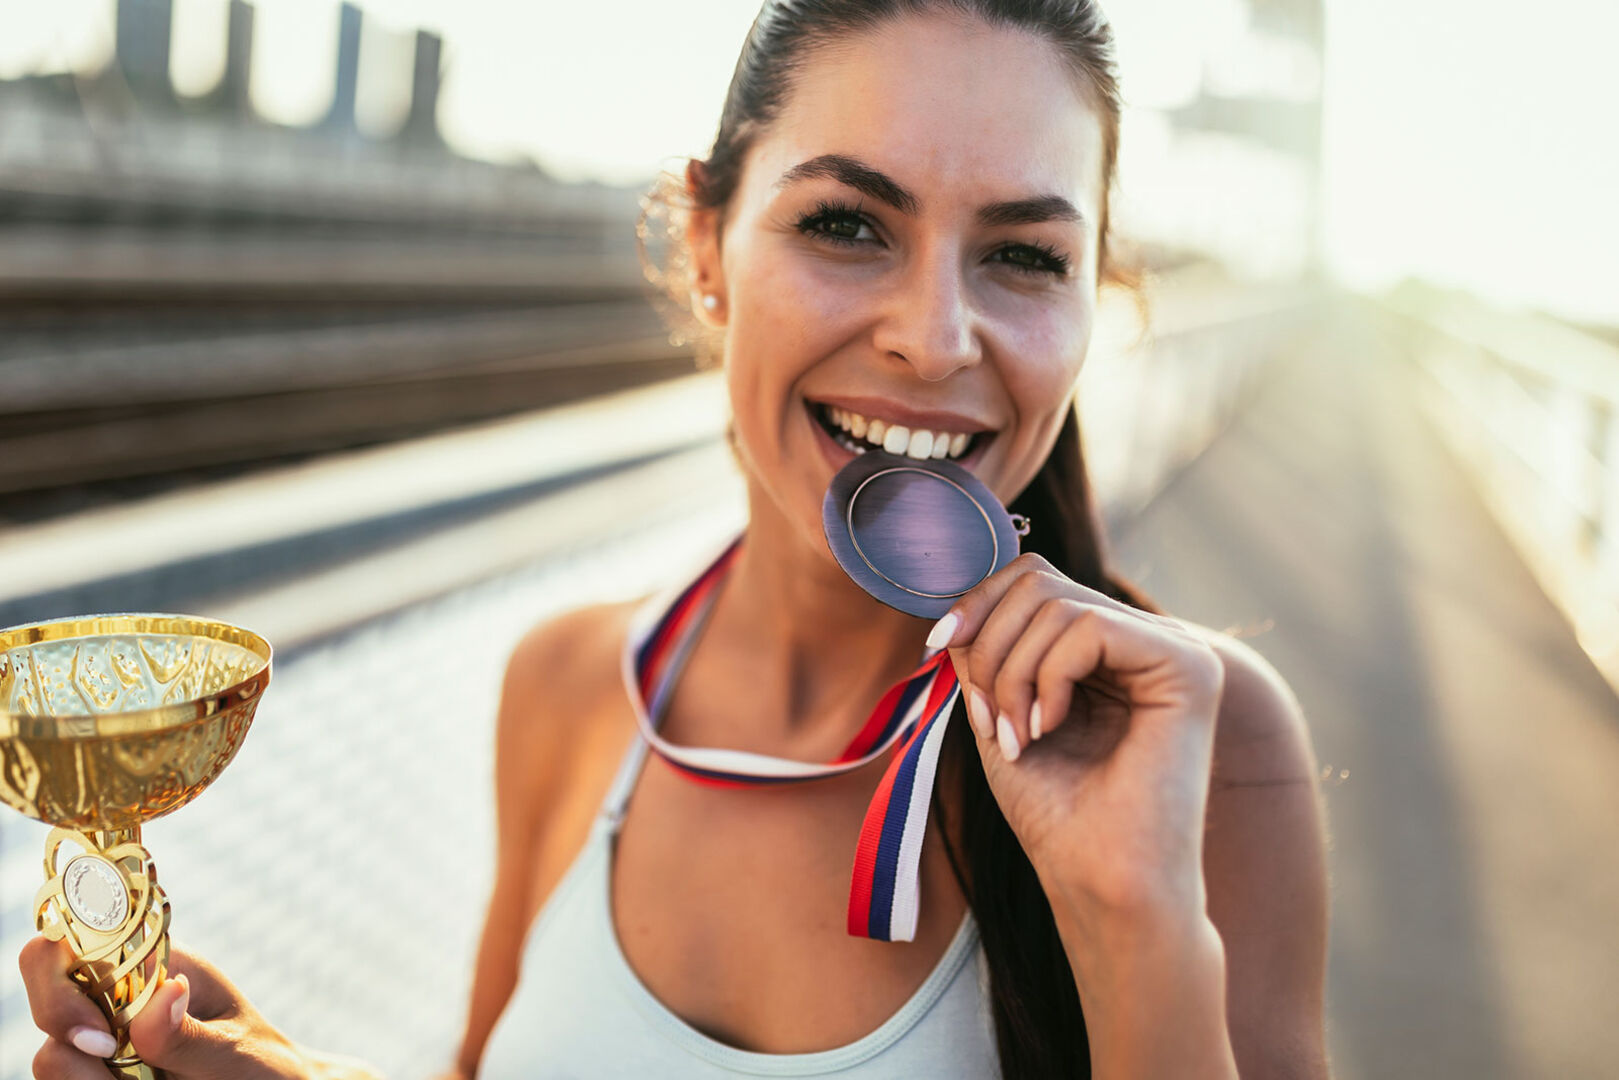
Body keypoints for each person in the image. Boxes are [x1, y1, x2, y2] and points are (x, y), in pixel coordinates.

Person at [19, 1, 1330, 1076]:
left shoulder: (1194, 746)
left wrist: (1135, 928)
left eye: (1026, 256)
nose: (935, 340)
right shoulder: (568, 685)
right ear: (707, 247)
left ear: (1100, 297)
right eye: (847, 225)